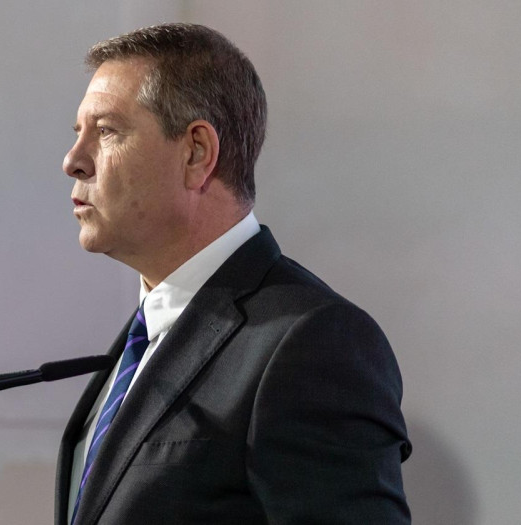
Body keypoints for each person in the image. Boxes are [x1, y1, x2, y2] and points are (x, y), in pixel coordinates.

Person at [57, 23, 411, 525]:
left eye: (107, 131)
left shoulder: (312, 342)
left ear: (197, 152)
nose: (74, 161)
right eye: (78, 135)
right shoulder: (143, 340)